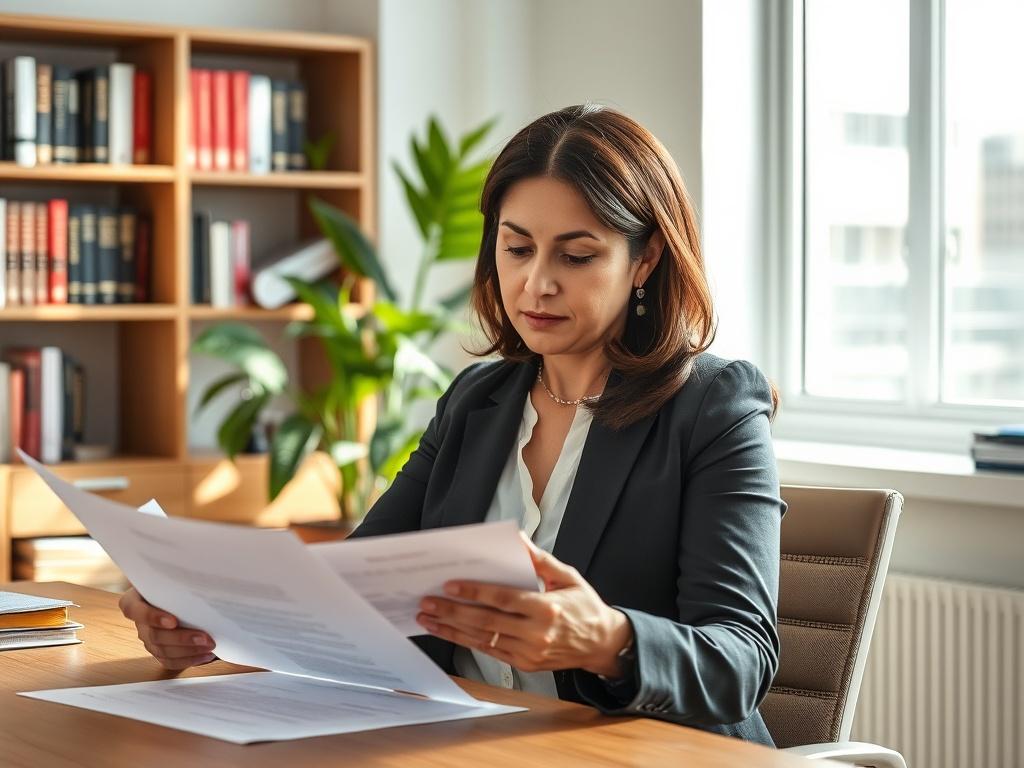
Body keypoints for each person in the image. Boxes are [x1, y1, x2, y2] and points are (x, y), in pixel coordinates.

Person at [119, 103, 786, 747]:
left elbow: (742, 661)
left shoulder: (714, 407)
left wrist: (607, 638)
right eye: (517, 247)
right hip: (474, 743)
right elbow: (351, 590)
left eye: (576, 256)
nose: (536, 284)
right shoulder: (478, 400)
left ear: (644, 261)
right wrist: (201, 615)